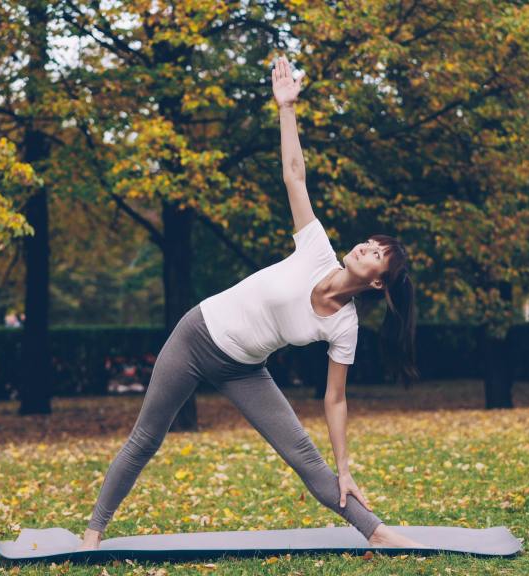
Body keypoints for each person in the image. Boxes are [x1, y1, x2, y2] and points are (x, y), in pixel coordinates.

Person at [77, 56, 425, 551]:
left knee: (303, 454)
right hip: (197, 336)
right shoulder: (316, 249)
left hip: (244, 368)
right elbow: (294, 175)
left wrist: (345, 467)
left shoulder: (344, 326)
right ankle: (93, 533)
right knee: (147, 439)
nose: (366, 249)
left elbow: (335, 399)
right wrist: (287, 108)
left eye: (377, 255)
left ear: (378, 284)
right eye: (369, 243)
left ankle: (378, 532)